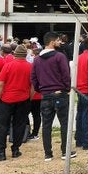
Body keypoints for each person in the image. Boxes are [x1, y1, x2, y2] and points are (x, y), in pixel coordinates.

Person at [31, 31, 75, 161]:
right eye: (57, 40)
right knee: (64, 123)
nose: (60, 42)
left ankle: (48, 153)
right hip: (60, 93)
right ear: (52, 42)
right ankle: (65, 151)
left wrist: (40, 89)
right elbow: (66, 74)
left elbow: (33, 78)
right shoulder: (59, 57)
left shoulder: (37, 59)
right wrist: (67, 88)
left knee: (46, 125)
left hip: (45, 94)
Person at [0, 44, 33, 161]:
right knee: (19, 125)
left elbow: (0, 84)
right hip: (23, 99)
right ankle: (15, 149)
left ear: (15, 54)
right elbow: (33, 86)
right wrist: (29, 97)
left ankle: (1, 152)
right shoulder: (30, 67)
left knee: (3, 125)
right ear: (25, 55)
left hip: (7, 99)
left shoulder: (8, 65)